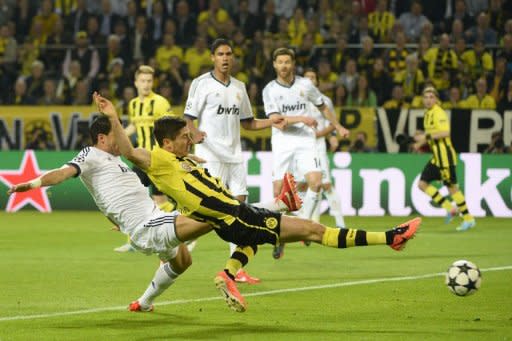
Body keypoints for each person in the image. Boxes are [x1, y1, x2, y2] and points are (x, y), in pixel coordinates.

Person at [94, 92, 421, 313]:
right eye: (183, 135)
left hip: (238, 215)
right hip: (233, 218)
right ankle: (390, 238)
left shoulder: (186, 159)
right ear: (167, 142)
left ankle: (231, 270)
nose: (189, 137)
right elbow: (127, 150)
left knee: (286, 233)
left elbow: (199, 194)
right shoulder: (159, 160)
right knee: (312, 231)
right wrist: (113, 117)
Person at [7, 113, 299, 313]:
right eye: (115, 135)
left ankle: (144, 303)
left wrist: (185, 159)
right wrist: (32, 184)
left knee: (183, 260)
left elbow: (135, 185)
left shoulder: (117, 163)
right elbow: (61, 173)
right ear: (101, 138)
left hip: (152, 218)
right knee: (213, 214)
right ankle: (279, 204)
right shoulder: (90, 155)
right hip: (147, 225)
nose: (120, 142)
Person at [183, 38, 287, 284]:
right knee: (207, 214)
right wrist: (194, 133)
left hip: (235, 157)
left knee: (239, 212)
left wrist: (271, 121)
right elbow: (188, 118)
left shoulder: (239, 87)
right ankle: (175, 247)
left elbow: (248, 123)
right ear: (212, 57)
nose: (225, 58)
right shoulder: (201, 84)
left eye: (229, 54)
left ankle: (236, 268)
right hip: (211, 157)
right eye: (220, 54)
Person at [262, 47, 350, 259]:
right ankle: (278, 238)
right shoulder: (269, 90)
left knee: (317, 183)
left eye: (287, 62)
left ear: (293, 64)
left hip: (305, 140)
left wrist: (337, 126)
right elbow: (277, 121)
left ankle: (305, 225)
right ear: (274, 64)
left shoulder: (305, 85)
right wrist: (301, 118)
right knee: (278, 193)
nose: (284, 65)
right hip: (283, 141)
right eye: (280, 62)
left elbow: (322, 106)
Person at [114, 65, 175, 253]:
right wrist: (119, 138)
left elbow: (171, 128)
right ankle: (133, 241)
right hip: (139, 159)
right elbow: (134, 125)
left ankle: (179, 227)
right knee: (132, 199)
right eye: (143, 81)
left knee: (159, 199)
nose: (146, 84)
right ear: (136, 82)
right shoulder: (133, 104)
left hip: (156, 159)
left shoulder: (160, 103)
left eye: (149, 81)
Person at [412, 86, 476, 231]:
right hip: (436, 157)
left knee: (452, 188)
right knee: (422, 184)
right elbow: (432, 136)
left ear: (436, 99)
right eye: (426, 97)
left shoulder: (438, 113)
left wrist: (424, 137)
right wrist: (420, 142)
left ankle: (468, 218)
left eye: (431, 97)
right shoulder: (428, 114)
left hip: (445, 157)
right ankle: (450, 209)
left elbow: (444, 132)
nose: (428, 100)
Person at [303, 68, 346, 230]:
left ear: (317, 81)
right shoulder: (296, 100)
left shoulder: (325, 101)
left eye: (312, 77)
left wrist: (328, 135)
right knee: (304, 186)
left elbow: (333, 123)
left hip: (318, 146)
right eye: (306, 77)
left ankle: (340, 223)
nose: (309, 80)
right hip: (299, 148)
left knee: (325, 184)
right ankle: (310, 223)